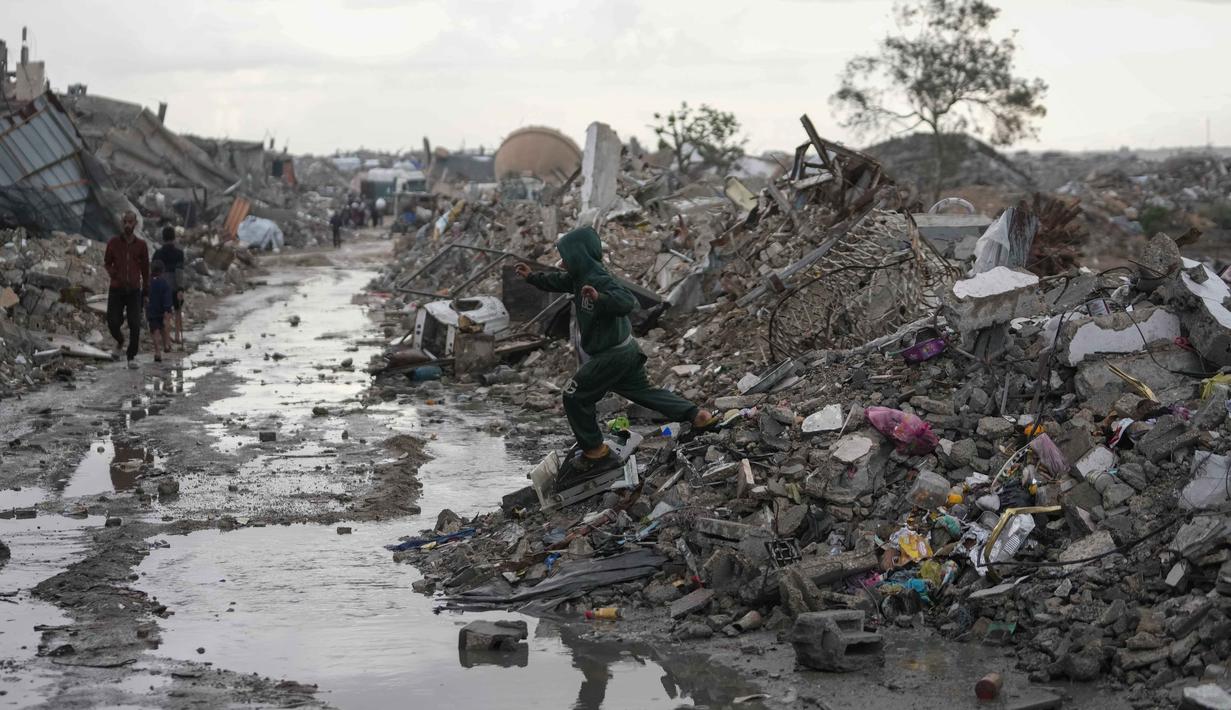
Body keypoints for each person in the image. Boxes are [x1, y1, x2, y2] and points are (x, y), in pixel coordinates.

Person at [517, 226, 716, 475]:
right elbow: (558, 281)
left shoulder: (598, 278)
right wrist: (531, 277)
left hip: (614, 354)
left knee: (574, 396)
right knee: (645, 392)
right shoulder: (580, 276)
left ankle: (595, 452)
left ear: (578, 255)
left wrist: (600, 297)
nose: (562, 261)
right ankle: (698, 416)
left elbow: (626, 302)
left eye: (565, 255)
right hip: (626, 351)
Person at [104, 211, 150, 369]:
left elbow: (145, 270)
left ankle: (131, 356)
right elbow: (107, 263)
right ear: (122, 223)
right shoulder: (113, 243)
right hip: (116, 289)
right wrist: (114, 275)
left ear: (135, 224)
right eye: (125, 222)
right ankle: (120, 340)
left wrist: (146, 291)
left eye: (130, 222)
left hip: (134, 291)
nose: (127, 225)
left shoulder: (141, 246)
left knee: (135, 324)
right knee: (112, 322)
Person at [152, 225, 186, 350]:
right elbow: (179, 272)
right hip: (174, 287)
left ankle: (167, 342)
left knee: (166, 314)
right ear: (174, 238)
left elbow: (154, 273)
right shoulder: (179, 253)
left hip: (161, 287)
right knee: (177, 312)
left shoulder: (157, 253)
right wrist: (181, 288)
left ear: (163, 238)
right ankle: (177, 336)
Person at [147, 259, 175, 362]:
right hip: (162, 310)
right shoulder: (164, 283)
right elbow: (167, 296)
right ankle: (166, 345)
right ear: (163, 271)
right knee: (163, 328)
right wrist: (167, 309)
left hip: (151, 310)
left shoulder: (148, 283)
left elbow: (143, 295)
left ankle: (157, 352)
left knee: (154, 330)